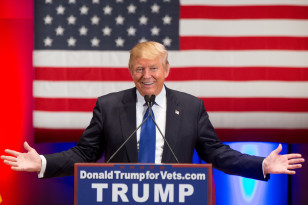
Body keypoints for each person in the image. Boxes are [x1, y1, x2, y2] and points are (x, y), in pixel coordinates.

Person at [1, 41, 304, 180]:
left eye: (153, 68)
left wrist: (261, 165)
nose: (146, 75)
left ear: (166, 69)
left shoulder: (190, 106)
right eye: (139, 69)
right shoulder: (108, 105)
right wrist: (41, 162)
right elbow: (84, 153)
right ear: (130, 71)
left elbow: (215, 153)